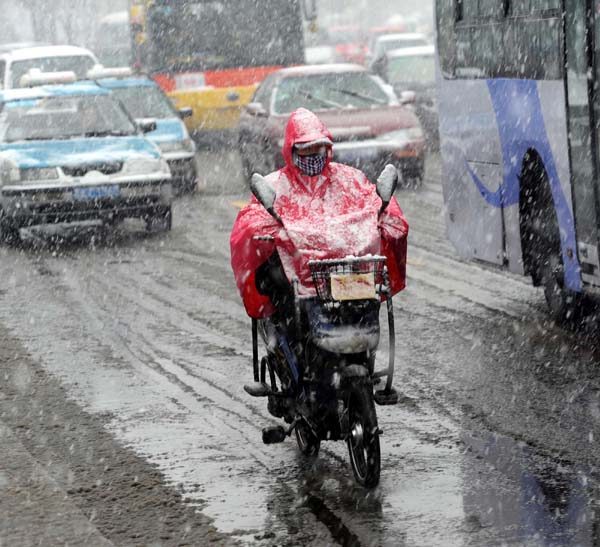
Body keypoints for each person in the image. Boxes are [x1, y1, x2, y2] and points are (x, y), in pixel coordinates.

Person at [230, 107, 409, 325]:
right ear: (292, 150)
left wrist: (383, 218)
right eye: (306, 149)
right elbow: (252, 220)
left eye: (319, 148)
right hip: (299, 272)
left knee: (367, 304)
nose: (313, 155)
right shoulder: (276, 184)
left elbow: (374, 203)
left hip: (346, 269)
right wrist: (269, 233)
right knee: (278, 286)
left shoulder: (349, 179)